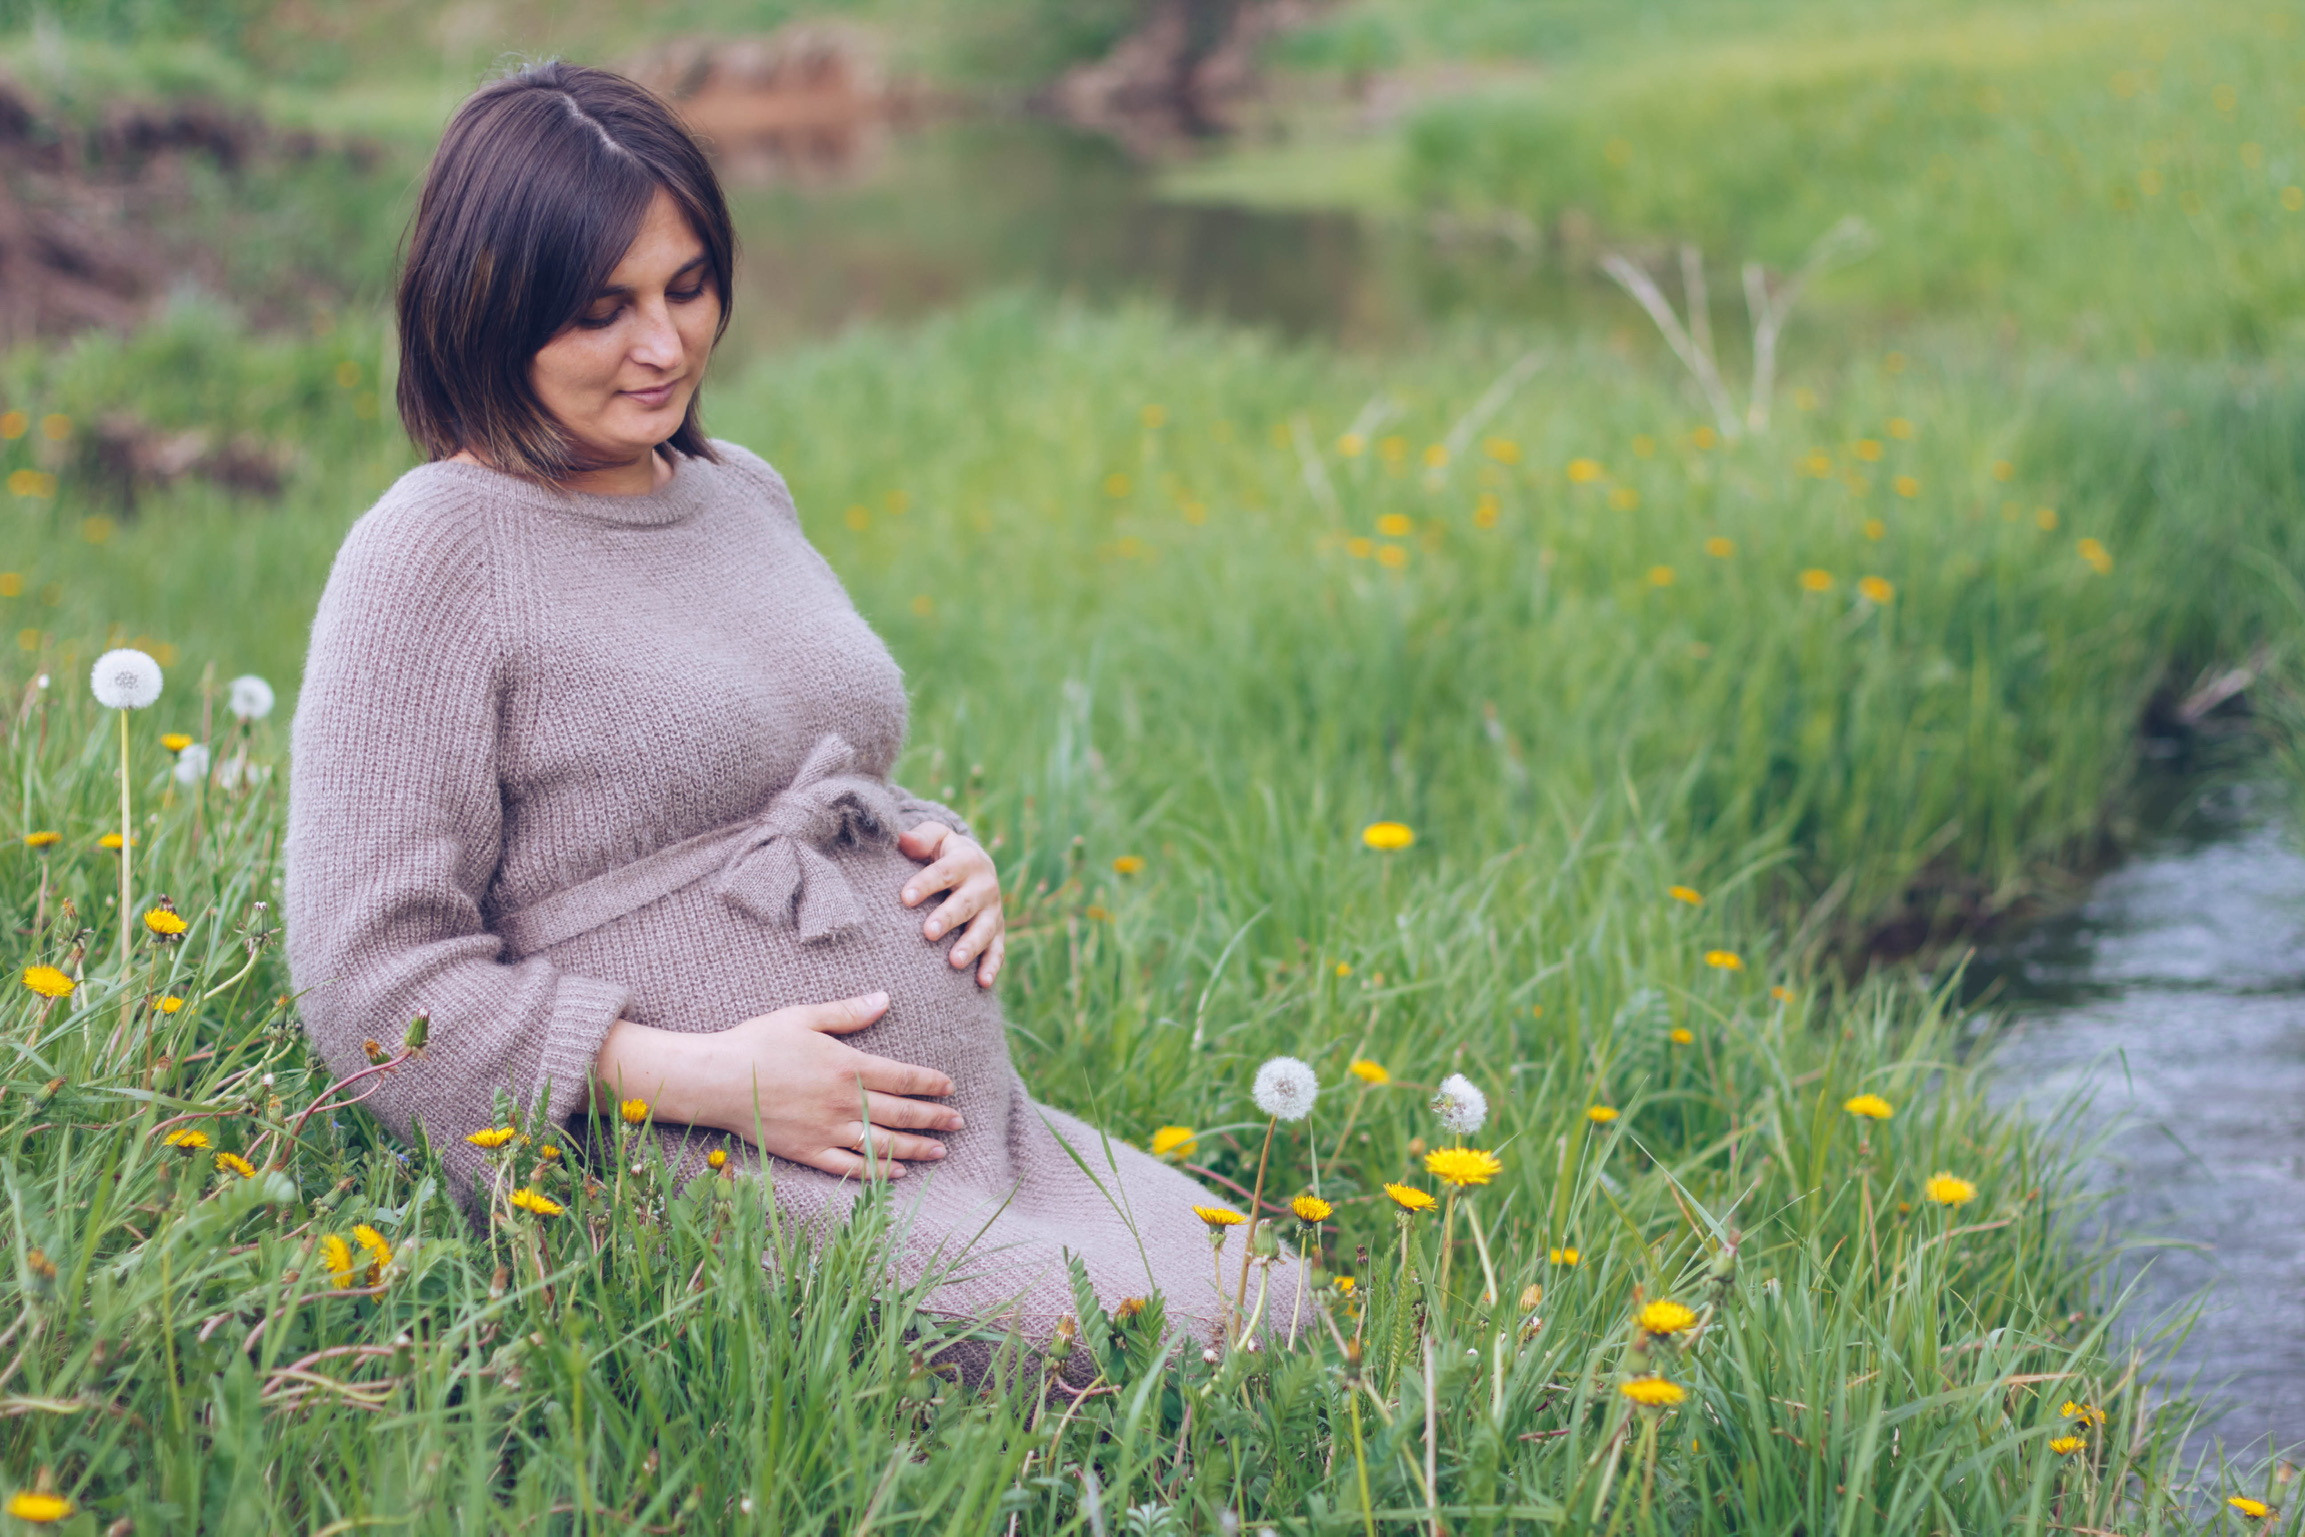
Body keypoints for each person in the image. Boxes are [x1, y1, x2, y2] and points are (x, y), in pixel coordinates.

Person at [282, 60, 1298, 1362]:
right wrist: (710, 1079)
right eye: (602, 310)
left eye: (686, 287)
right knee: (1171, 1344)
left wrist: (934, 841)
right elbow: (370, 979)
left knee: (1271, 1296)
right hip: (698, 1156)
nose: (665, 346)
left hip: (965, 1130)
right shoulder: (433, 549)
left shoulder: (737, 488)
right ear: (486, 307)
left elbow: (793, 763)